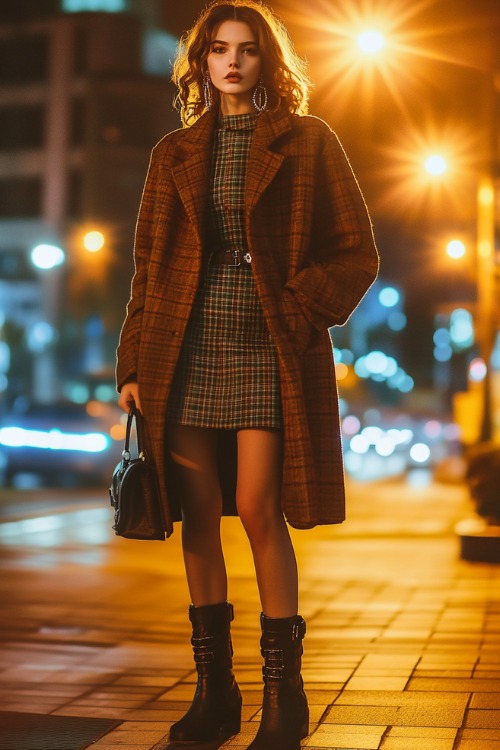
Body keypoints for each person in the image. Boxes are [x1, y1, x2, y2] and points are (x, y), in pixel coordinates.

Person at [116, 1, 378, 748]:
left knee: (261, 507)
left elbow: (357, 253)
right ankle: (215, 695)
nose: (232, 62)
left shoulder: (308, 142)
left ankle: (283, 700)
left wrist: (297, 312)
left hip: (267, 344)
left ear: (268, 62)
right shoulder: (172, 152)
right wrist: (134, 361)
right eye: (218, 50)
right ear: (200, 62)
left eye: (248, 50)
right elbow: (147, 268)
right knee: (197, 516)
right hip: (184, 346)